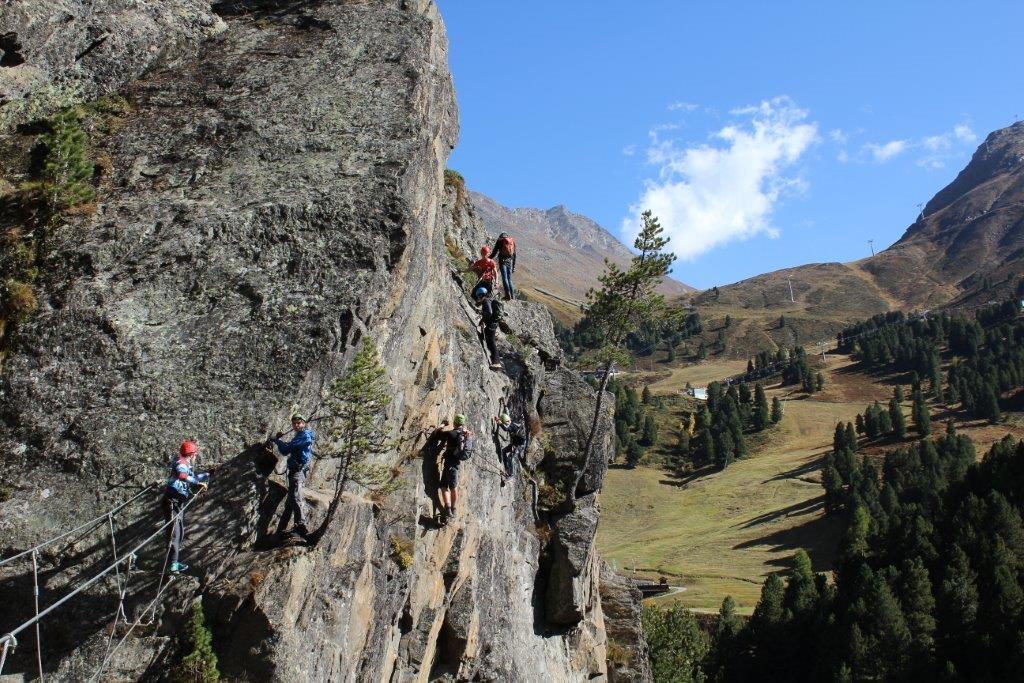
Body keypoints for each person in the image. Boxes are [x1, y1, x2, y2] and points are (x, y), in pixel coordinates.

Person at [163, 440, 210, 573]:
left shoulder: (184, 463)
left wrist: (207, 474)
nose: (196, 457)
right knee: (175, 533)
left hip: (177, 503)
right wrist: (196, 481)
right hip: (173, 502)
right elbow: (182, 475)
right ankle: (172, 564)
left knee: (180, 532)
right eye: (195, 454)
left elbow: (191, 476)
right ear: (192, 454)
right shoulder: (182, 463)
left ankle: (174, 562)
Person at [272, 412, 315, 538]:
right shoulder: (299, 436)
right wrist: (279, 441)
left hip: (298, 471)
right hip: (294, 471)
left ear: (303, 423)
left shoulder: (305, 435)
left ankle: (301, 526)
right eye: (294, 423)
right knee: (290, 500)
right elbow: (289, 447)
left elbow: (286, 450)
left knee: (295, 496)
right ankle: (282, 530)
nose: (296, 425)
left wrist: (277, 441)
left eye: (299, 423)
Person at [439, 414, 473, 524]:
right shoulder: (465, 434)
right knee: (450, 486)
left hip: (449, 463)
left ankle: (450, 508)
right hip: (455, 463)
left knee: (447, 486)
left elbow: (437, 434)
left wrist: (442, 425)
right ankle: (451, 508)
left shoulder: (451, 433)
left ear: (455, 422)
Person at [494, 411, 528, 486]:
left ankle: (511, 476)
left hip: (519, 445)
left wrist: (499, 423)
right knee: (504, 451)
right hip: (517, 443)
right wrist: (500, 420)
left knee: (510, 458)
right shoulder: (514, 422)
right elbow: (507, 422)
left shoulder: (513, 426)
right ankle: (507, 470)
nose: (507, 423)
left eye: (506, 422)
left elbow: (506, 429)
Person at [474, 286, 502, 369]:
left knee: (491, 343)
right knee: (489, 338)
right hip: (493, 323)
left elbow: (489, 312)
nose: (479, 298)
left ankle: (496, 362)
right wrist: (482, 320)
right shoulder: (490, 299)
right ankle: (495, 361)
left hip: (491, 324)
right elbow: (488, 313)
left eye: (479, 296)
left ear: (481, 295)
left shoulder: (486, 301)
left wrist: (480, 313)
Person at [490, 232, 517, 300]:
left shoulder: (500, 241)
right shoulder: (512, 241)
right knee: (509, 279)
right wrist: (513, 266)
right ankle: (512, 296)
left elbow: (494, 253)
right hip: (510, 262)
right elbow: (514, 255)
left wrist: (488, 259)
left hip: (502, 261)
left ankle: (507, 295)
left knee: (504, 278)